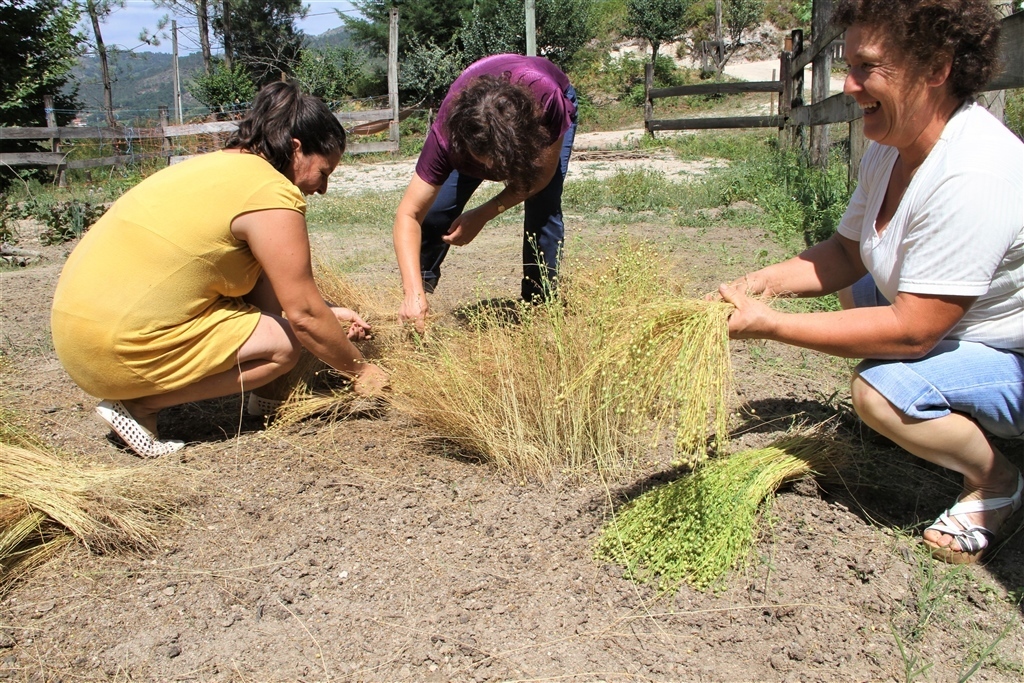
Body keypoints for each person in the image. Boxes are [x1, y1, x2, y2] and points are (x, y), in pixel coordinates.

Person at [718, 0, 1022, 564]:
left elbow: (912, 332)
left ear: (936, 68)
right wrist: (754, 285)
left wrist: (772, 325)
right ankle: (938, 420)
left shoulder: (973, 172)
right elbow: (846, 253)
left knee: (878, 393)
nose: (850, 85)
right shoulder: (891, 148)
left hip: (1012, 357)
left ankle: (996, 482)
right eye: (848, 65)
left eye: (868, 67)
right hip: (960, 329)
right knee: (858, 291)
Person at [51, 81, 388, 458]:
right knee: (284, 345)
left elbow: (277, 295)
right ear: (296, 149)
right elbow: (304, 315)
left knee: (270, 308)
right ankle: (140, 405)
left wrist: (329, 313)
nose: (322, 188)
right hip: (117, 350)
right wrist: (362, 372)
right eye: (324, 172)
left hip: (77, 340)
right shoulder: (270, 192)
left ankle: (270, 394)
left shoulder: (213, 167)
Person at [393, 54, 578, 333]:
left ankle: (540, 306)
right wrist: (412, 292)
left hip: (542, 102)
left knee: (543, 209)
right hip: (474, 130)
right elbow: (409, 214)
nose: (491, 172)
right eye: (482, 163)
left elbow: (540, 178)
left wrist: (484, 213)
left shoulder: (547, 103)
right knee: (435, 213)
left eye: (499, 164)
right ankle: (419, 301)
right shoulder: (446, 135)